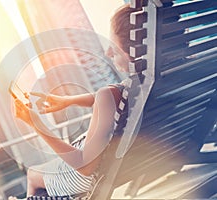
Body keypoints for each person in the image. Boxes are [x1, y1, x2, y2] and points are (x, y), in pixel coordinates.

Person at [10, 4, 138, 200]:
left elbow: (85, 166)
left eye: (114, 46)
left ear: (133, 49)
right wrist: (68, 101)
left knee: (33, 175)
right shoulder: (149, 81)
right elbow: (112, 98)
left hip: (93, 174)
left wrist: (35, 123)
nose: (109, 54)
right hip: (136, 160)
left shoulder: (112, 94)